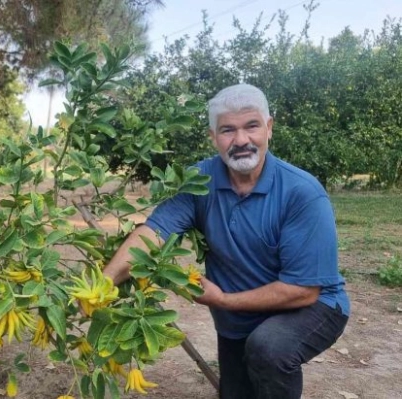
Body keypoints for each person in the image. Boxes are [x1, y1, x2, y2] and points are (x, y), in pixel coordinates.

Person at [102, 83, 349, 399]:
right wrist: (105, 284)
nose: (241, 140)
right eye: (228, 130)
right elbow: (153, 233)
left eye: (252, 126)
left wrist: (224, 300)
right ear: (213, 137)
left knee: (269, 348)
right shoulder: (199, 180)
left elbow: (302, 290)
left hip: (313, 305)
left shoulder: (302, 193)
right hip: (240, 315)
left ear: (269, 128)